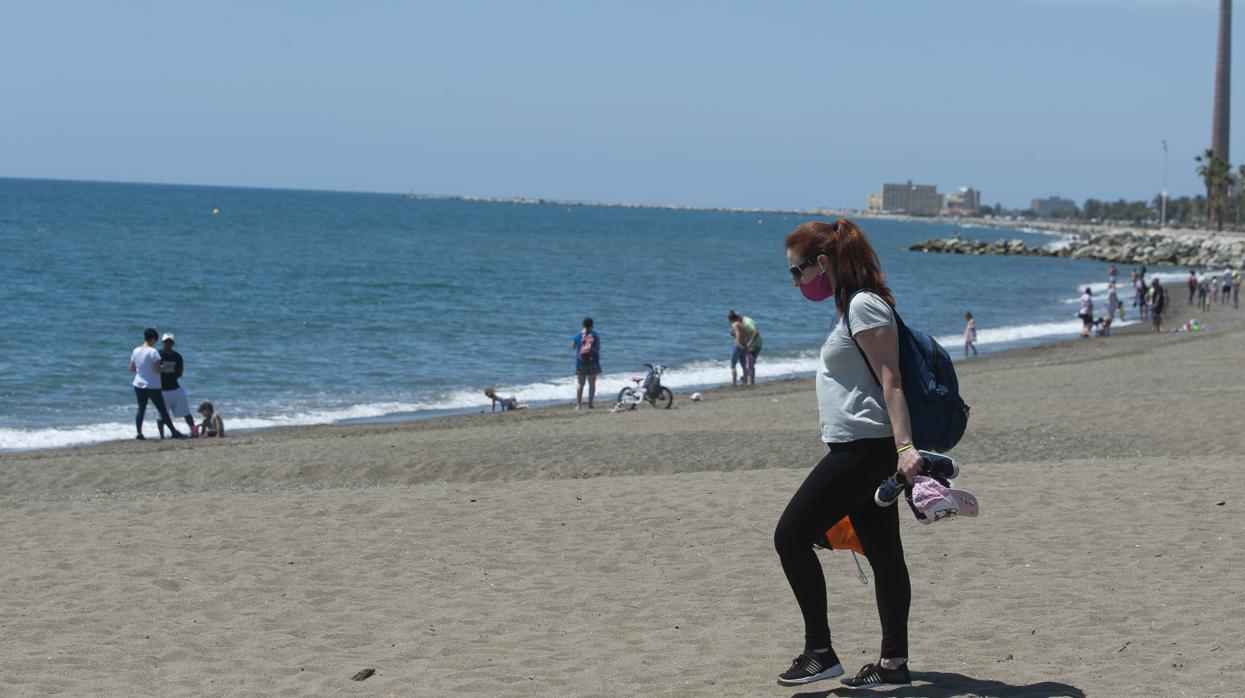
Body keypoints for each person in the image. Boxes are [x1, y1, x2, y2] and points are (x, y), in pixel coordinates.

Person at [774, 219, 919, 688]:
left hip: (865, 450)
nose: (795, 282)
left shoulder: (863, 306)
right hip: (860, 448)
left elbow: (891, 379)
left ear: (822, 263)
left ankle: (820, 651)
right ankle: (893, 666)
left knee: (790, 536)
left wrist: (905, 449)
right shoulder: (851, 307)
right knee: (884, 555)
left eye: (797, 272)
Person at [129, 328, 184, 440]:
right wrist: (165, 367)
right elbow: (157, 369)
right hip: (152, 385)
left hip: (138, 384)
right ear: (153, 339)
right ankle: (173, 431)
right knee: (162, 409)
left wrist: (143, 369)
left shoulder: (136, 350)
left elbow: (132, 368)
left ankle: (139, 433)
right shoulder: (153, 352)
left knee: (141, 409)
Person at [156, 333, 197, 438]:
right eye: (166, 342)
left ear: (173, 343)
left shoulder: (177, 356)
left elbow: (180, 373)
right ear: (162, 343)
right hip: (162, 390)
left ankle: (194, 432)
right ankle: (162, 436)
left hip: (175, 388)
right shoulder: (157, 355)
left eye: (170, 342)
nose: (168, 344)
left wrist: (171, 373)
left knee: (186, 412)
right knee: (161, 415)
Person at [572, 317, 601, 409]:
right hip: (593, 361)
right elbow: (598, 348)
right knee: (592, 383)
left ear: (583, 324)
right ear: (592, 325)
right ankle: (590, 404)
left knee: (581, 383)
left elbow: (573, 346)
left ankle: (578, 405)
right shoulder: (595, 335)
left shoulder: (578, 335)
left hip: (581, 362)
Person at [741, 313, 763, 385]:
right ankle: (748, 379)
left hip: (755, 345)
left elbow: (755, 332)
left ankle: (749, 380)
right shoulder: (745, 321)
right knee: (750, 362)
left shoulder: (747, 322)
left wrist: (750, 342)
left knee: (750, 362)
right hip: (756, 344)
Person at [728, 310, 748, 386]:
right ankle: (745, 381)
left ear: (730, 319)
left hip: (738, 345)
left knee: (733, 365)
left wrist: (737, 342)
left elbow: (738, 334)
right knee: (743, 364)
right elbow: (745, 334)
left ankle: (734, 382)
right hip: (744, 345)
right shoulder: (741, 324)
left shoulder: (735, 324)